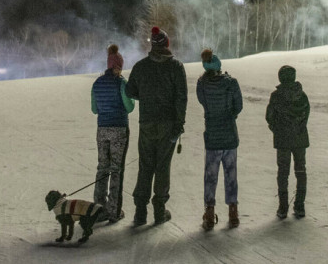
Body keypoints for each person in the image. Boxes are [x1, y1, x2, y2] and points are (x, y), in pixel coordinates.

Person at [125, 26, 187, 226]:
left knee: (145, 166)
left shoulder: (141, 67)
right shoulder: (176, 67)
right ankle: (159, 211)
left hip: (147, 123)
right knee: (162, 167)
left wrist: (145, 96)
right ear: (167, 45)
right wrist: (179, 123)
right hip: (168, 125)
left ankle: (140, 212)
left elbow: (130, 91)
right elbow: (181, 98)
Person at [196, 49, 243, 230]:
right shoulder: (231, 83)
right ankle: (233, 212)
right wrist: (230, 115)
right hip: (230, 136)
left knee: (210, 176)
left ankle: (209, 212)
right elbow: (238, 106)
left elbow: (203, 102)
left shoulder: (202, 84)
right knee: (231, 174)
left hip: (213, 137)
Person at [91, 44, 134, 223]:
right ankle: (113, 210)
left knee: (102, 167)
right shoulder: (121, 83)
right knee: (116, 169)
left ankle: (98, 209)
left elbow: (94, 109)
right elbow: (130, 107)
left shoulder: (97, 83)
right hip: (119, 129)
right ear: (118, 66)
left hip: (102, 129)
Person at [265, 65, 310, 219]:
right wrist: (300, 127)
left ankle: (283, 207)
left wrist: (276, 129)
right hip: (300, 138)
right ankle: (300, 205)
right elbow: (306, 114)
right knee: (301, 171)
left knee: (283, 172)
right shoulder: (301, 95)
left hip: (283, 139)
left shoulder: (276, 96)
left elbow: (269, 116)